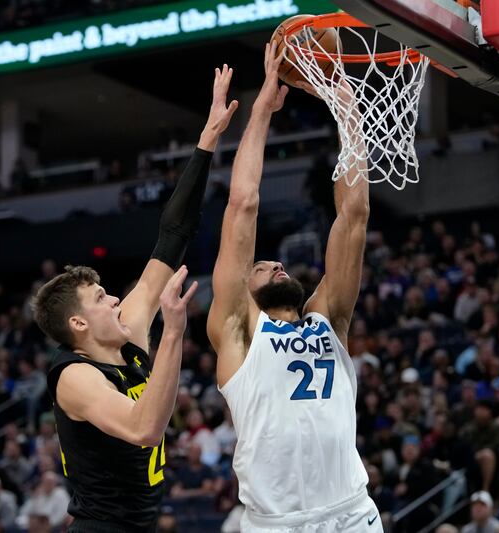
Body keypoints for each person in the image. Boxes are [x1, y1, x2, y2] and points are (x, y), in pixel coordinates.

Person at [34, 65, 237, 533]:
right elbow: (144, 428)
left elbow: (173, 235)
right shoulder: (75, 377)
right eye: (101, 297)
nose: (114, 300)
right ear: (79, 325)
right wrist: (174, 334)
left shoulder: (128, 329)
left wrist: (206, 140)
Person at [207, 43, 379, 532]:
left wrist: (344, 104)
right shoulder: (238, 330)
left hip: (351, 514)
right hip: (276, 523)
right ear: (243, 286)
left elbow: (354, 214)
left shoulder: (329, 318)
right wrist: (263, 106)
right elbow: (242, 204)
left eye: (274, 262)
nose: (275, 262)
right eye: (260, 265)